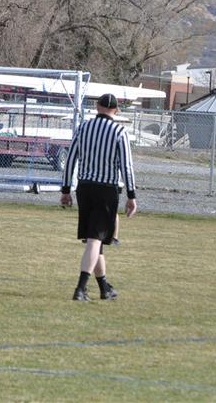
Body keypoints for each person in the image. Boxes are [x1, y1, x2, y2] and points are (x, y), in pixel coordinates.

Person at [60, 93, 138, 301]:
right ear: (117, 110)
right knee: (95, 240)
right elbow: (126, 166)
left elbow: (71, 159)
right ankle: (80, 288)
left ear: (97, 106)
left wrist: (66, 189)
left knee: (95, 241)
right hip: (106, 189)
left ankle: (104, 288)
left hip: (84, 187)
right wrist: (131, 195)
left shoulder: (84, 128)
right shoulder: (119, 131)